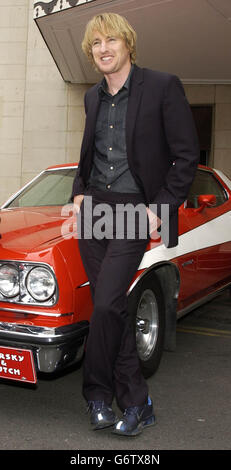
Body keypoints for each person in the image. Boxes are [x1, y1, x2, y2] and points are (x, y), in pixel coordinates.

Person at [71, 12, 199, 436]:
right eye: (95, 44)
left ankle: (96, 393)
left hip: (132, 211)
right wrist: (77, 194)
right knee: (112, 308)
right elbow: (88, 152)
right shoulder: (92, 97)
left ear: (128, 44)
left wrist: (158, 209)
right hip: (93, 211)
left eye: (111, 40)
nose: (103, 49)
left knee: (107, 303)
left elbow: (186, 156)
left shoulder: (162, 86)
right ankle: (137, 402)